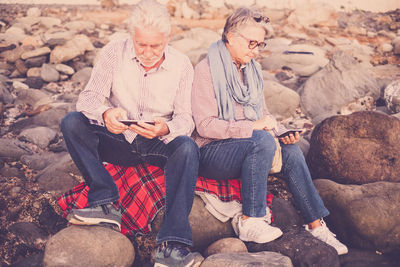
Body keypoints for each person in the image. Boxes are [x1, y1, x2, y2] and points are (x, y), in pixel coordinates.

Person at [191, 7, 348, 255]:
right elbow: (205, 126)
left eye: (260, 45)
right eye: (251, 43)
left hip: (250, 146)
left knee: (292, 152)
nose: (255, 50)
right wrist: (253, 128)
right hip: (212, 152)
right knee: (261, 140)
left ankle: (316, 225)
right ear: (230, 36)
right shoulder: (206, 70)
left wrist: (283, 132)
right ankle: (251, 220)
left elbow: (264, 116)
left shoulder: (252, 72)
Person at [60, 0, 203, 266]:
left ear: (168, 38)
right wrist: (105, 113)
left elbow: (186, 118)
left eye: (156, 46)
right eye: (141, 45)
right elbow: (88, 98)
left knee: (187, 147)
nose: (148, 52)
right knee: (72, 122)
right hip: (119, 141)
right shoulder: (114, 53)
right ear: (131, 37)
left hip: (157, 143)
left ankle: (172, 246)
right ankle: (105, 202)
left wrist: (166, 127)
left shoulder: (182, 65)